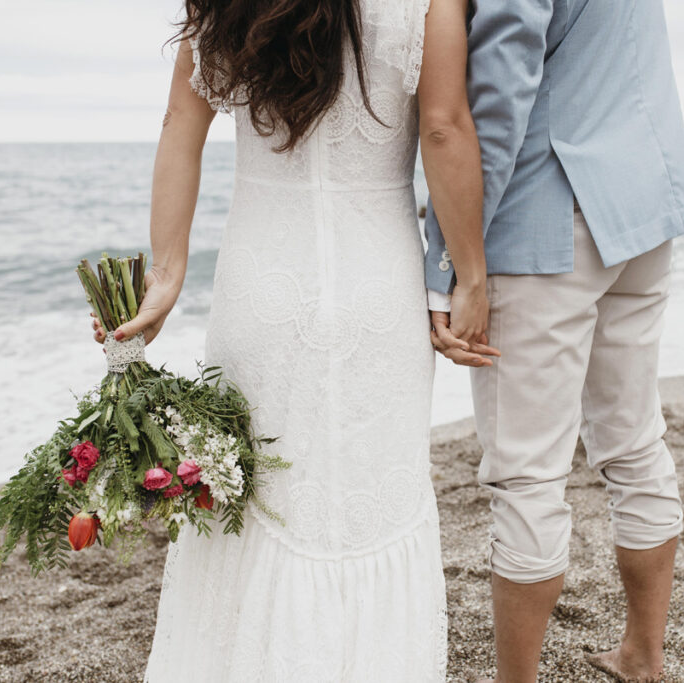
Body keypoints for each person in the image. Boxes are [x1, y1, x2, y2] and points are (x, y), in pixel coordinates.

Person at [92, 1, 493, 680]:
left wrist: (167, 271)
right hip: (377, 288)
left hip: (260, 286)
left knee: (253, 502)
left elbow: (181, 124)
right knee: (374, 503)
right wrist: (472, 275)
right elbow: (445, 128)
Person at [425, 1, 684, 681]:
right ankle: (643, 656)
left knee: (527, 472)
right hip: (644, 200)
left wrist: (457, 261)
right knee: (636, 438)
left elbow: (497, 99)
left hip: (548, 216)